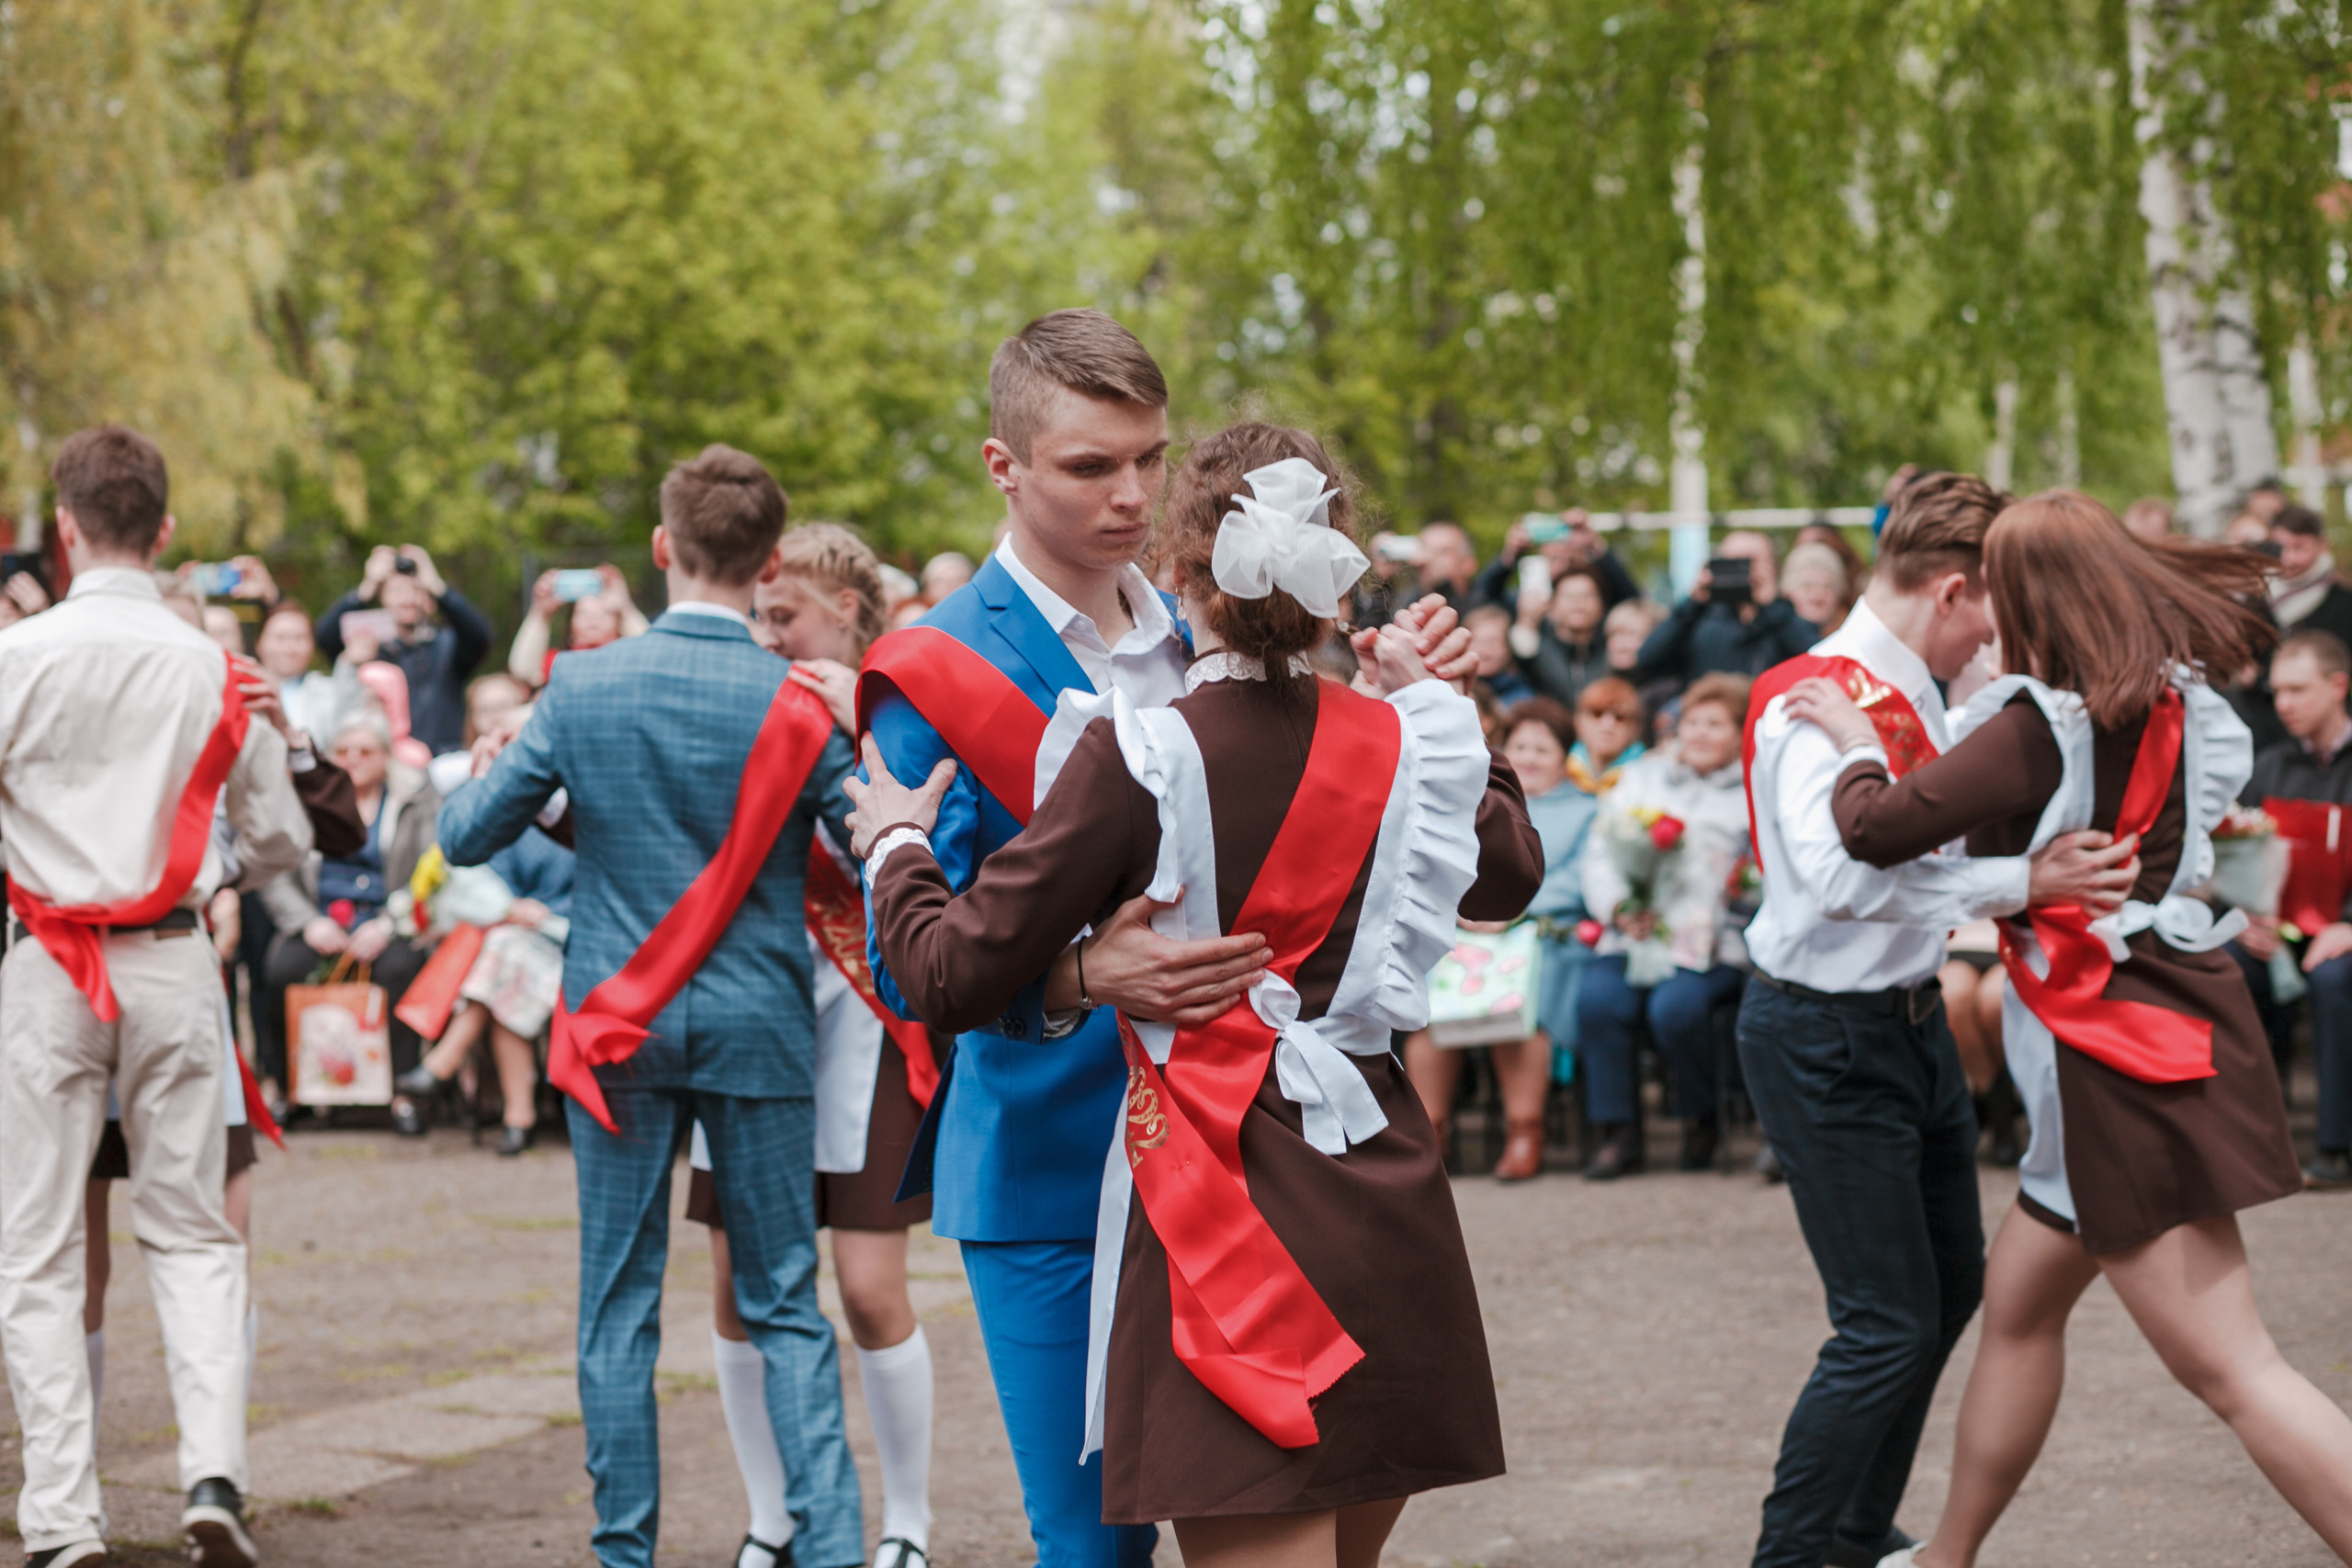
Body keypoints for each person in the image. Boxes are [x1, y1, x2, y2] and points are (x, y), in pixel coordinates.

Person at [853, 421, 1543, 1568]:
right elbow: (1509, 875)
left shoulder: (1139, 753)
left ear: (1180, 574)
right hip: (1383, 1192)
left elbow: (943, 971)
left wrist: (894, 848)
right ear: (1333, 589)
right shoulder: (1403, 739)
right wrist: (1440, 704)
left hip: (1223, 1201)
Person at [1784, 491, 2352, 1568]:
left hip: (2109, 1054)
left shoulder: (2037, 726)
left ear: (2031, 596)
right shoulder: (2171, 698)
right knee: (2017, 1312)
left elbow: (1871, 829)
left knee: (2237, 1370)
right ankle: (1947, 1557)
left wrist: (1856, 740)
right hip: (2129, 1027)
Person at [438, 445, 867, 1568]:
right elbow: (871, 848)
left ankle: (622, 1554)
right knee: (785, 1304)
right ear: (769, 564)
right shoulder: (797, 700)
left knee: (617, 1305)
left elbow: (462, 838)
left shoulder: (582, 686)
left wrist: (499, 771)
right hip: (759, 1021)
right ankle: (831, 1549)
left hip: (615, 1024)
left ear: (662, 547)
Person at [1735, 471, 2146, 1568]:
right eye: (2003, 609)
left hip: (1910, 1022)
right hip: (1822, 1031)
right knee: (1882, 1325)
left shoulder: (1926, 686)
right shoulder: (1814, 696)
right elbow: (1838, 882)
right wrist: (2024, 884)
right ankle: (1793, 1554)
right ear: (1956, 591)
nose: (2008, 636)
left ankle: (1857, 1532)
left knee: (1952, 1290)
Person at [0, 423, 313, 1568]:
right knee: (191, 1234)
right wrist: (212, 868)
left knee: (36, 1245)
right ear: (166, 529)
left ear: (64, 528)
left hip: (48, 963)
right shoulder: (214, 668)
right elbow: (279, 840)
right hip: (175, 958)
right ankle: (212, 1476)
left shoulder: (15, 658)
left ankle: (61, 1518)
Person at [683, 523, 942, 1568]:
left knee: (871, 1290)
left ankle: (907, 1522)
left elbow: (930, 850)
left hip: (865, 1022)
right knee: (735, 1284)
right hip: (752, 1013)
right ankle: (772, 1517)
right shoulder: (749, 699)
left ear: (844, 610)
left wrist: (853, 732)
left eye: (782, 615)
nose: (765, 633)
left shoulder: (903, 706)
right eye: (757, 614)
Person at [1405, 695, 1596, 1178]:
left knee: (1520, 1003)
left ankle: (1524, 1130)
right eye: (1521, 747)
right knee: (1428, 1004)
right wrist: (1464, 909)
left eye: (1543, 749)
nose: (1529, 758)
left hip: (1544, 935)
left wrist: (1514, 909)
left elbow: (1579, 877)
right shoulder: (1476, 800)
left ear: (1565, 757)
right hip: (1466, 931)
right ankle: (1431, 1132)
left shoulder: (1586, 810)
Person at [1575, 672, 1753, 1178]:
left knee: (1676, 1010)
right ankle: (1619, 1131)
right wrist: (1619, 908)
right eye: (1692, 722)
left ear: (1738, 735)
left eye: (1715, 725)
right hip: (1633, 933)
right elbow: (1600, 852)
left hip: (1711, 944)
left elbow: (1755, 875)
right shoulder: (1642, 777)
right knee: (1598, 1001)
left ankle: (1702, 1116)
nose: (1699, 733)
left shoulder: (1751, 791)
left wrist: (1732, 894)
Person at [255, 714, 440, 1133]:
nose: (354, 759)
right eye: (343, 751)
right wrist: (308, 922)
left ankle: (403, 1094)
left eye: (365, 751)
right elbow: (273, 869)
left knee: (400, 969)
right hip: (320, 920)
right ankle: (290, 1088)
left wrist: (388, 924)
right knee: (282, 969)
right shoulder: (304, 797)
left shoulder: (414, 799)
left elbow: (429, 868)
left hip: (389, 921)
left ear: (386, 756)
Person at [2232, 627, 2352, 1188]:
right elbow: (2235, 853)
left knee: (2334, 978)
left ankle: (2334, 1145)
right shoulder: (2270, 766)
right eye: (2276, 691)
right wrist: (2247, 914)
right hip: (2276, 928)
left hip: (2342, 932)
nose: (2283, 704)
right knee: (2231, 965)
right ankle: (2252, 1134)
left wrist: (2348, 925)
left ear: (2338, 686)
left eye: (2298, 690)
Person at [314, 544, 494, 754]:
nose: (407, 598)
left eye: (416, 589)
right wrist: (366, 589)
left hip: (444, 759)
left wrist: (437, 586)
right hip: (389, 763)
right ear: (382, 597)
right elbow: (324, 638)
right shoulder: (369, 649)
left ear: (429, 599)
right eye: (397, 590)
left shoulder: (447, 646)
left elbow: (482, 636)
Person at [1636, 529, 1817, 685]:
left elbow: (1815, 658)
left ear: (1773, 567)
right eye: (1732, 562)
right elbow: (1647, 659)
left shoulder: (1785, 615)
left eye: (1750, 562)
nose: (1742, 570)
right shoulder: (1700, 618)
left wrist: (1772, 607)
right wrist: (1693, 602)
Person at [509, 566, 650, 688]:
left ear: (618, 624)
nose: (593, 619)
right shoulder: (558, 662)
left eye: (604, 613)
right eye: (584, 613)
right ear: (571, 624)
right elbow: (524, 671)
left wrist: (626, 609)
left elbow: (651, 657)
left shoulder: (628, 660)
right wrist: (540, 615)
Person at [1517, 566, 1610, 710]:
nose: (1578, 602)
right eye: (1569, 596)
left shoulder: (1613, 653)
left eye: (1587, 596)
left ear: (1602, 608)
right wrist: (1527, 620)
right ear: (1551, 608)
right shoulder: (1535, 652)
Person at [2267, 504, 2352, 654]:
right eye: (2278, 548)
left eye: (2299, 548)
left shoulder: (2345, 604)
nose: (2287, 559)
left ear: (2323, 544)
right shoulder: (2257, 598)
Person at [1463, 604, 1532, 705]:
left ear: (1508, 649)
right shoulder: (1453, 690)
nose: (1482, 651)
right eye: (1476, 642)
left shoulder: (1523, 701)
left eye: (1492, 642)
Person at [1781, 541, 1851, 636]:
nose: (1818, 595)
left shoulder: (1852, 632)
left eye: (1827, 587)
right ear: (1788, 591)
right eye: (1807, 586)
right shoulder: (1772, 635)